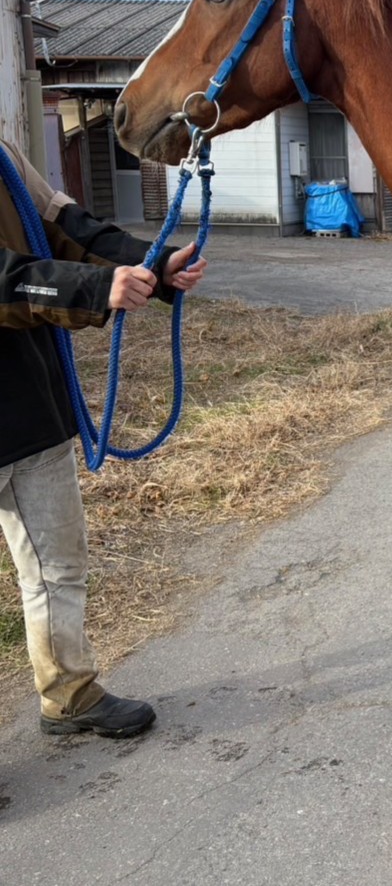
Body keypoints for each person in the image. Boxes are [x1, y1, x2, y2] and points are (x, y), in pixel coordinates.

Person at [0, 136, 206, 738]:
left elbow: (64, 224)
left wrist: (151, 264)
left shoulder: (5, 153)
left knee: (58, 566)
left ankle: (69, 694)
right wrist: (91, 290)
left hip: (28, 401)